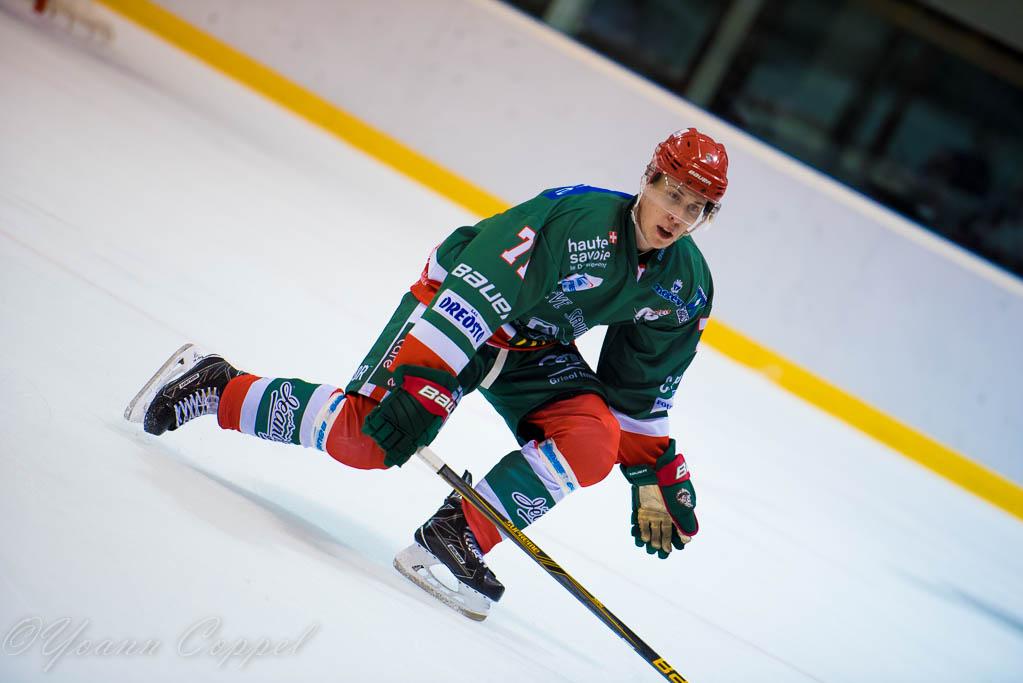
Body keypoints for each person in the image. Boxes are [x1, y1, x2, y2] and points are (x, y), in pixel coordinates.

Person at [125, 128, 729, 620]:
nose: (677, 216)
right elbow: (483, 275)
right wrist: (426, 377)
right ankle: (217, 386)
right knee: (369, 439)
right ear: (648, 179)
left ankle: (458, 532)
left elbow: (638, 385)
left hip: (531, 348)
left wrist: (651, 467)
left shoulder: (685, 283)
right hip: (456, 310)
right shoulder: (579, 221)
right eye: (673, 194)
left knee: (593, 440)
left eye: (694, 208)